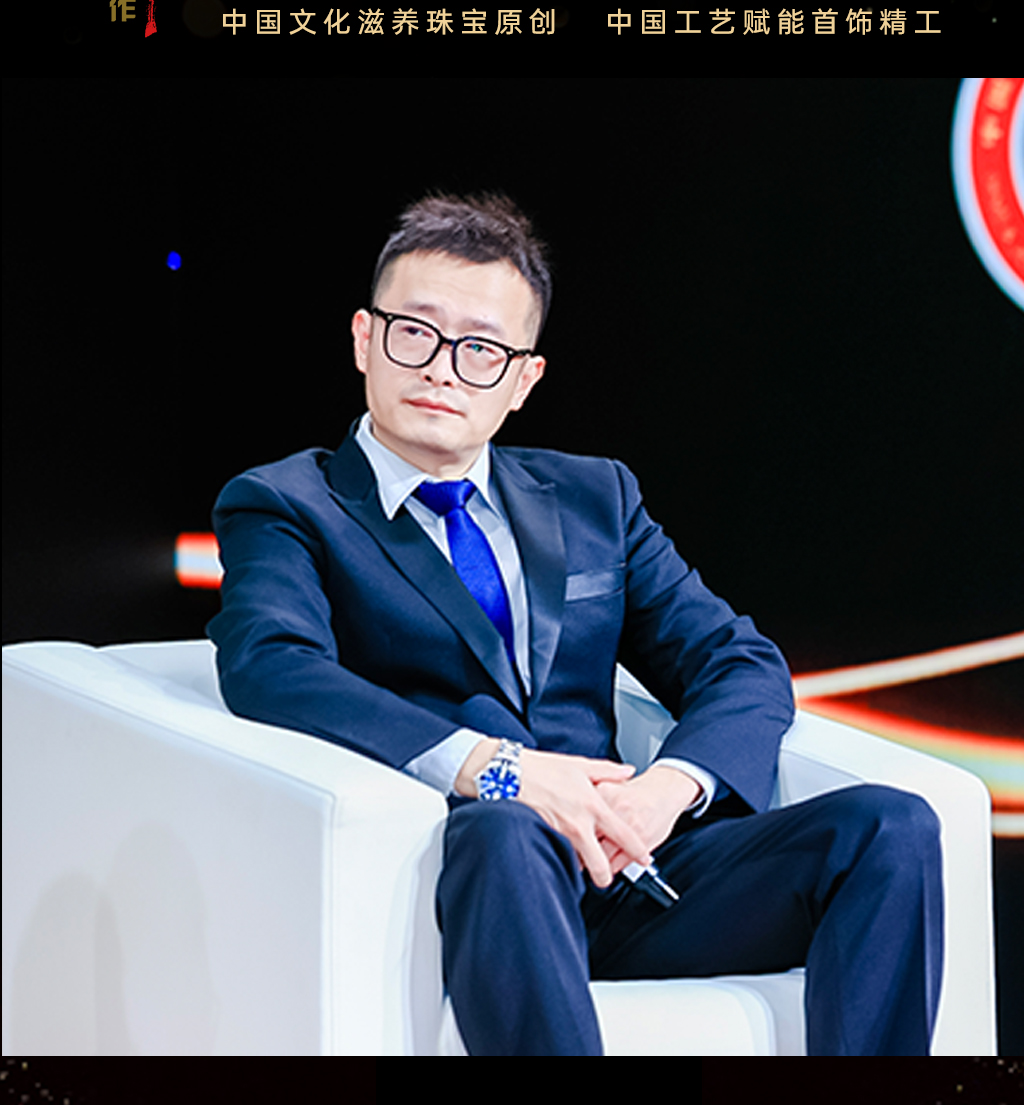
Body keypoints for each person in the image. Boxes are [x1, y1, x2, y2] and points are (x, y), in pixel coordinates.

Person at [208, 192, 943, 1056]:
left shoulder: (597, 498)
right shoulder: (288, 503)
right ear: (365, 339)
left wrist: (665, 793)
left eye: (480, 349)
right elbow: (272, 662)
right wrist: (502, 772)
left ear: (523, 380)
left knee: (891, 828)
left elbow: (736, 661)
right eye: (415, 333)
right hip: (475, 873)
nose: (442, 369)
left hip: (633, 869)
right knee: (505, 827)